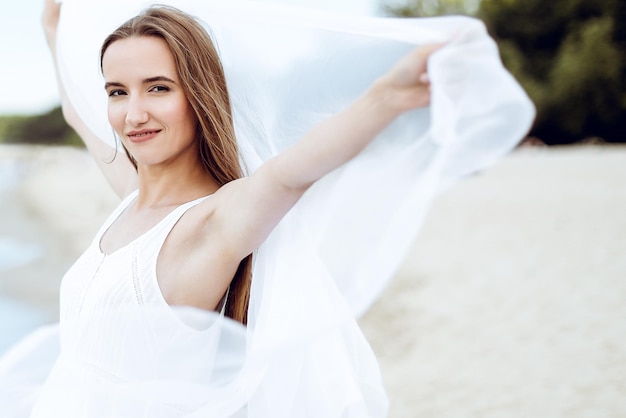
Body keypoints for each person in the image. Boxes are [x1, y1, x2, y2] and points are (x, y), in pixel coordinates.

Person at [0, 0, 534, 417]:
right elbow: (79, 116)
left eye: (157, 88)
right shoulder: (134, 201)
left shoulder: (210, 226)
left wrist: (388, 95)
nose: (132, 113)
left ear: (197, 94)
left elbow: (290, 173)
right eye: (117, 91)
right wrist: (54, 37)